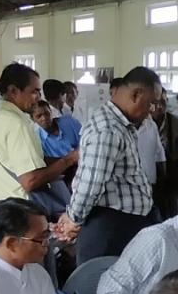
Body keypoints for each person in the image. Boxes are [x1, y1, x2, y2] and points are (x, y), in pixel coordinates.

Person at [54, 66, 160, 263]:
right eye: (151, 103)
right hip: (110, 228)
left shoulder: (119, 124)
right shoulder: (108, 130)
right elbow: (90, 184)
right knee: (101, 278)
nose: (152, 110)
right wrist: (73, 219)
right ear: (136, 95)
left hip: (120, 222)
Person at [0, 64, 77, 220]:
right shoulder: (17, 123)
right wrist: (69, 159)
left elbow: (22, 162)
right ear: (13, 91)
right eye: (34, 92)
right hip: (19, 211)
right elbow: (30, 181)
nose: (38, 97)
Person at [151, 91, 178, 220]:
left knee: (172, 213)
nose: (159, 106)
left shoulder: (175, 122)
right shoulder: (143, 121)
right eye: (156, 103)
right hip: (150, 177)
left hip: (171, 175)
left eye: (163, 102)